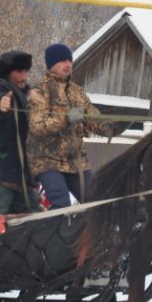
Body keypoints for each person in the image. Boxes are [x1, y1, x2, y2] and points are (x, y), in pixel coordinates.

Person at [27, 43, 108, 208]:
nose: (68, 65)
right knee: (61, 205)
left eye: (69, 61)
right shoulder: (39, 91)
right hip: (48, 161)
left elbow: (93, 117)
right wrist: (66, 118)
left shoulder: (77, 91)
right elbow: (37, 127)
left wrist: (112, 126)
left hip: (77, 162)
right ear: (52, 64)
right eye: (63, 61)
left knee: (97, 203)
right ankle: (51, 232)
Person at [0, 50, 40, 218]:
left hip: (23, 178)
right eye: (19, 71)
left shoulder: (32, 98)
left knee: (36, 225)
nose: (24, 76)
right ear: (6, 73)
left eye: (26, 71)